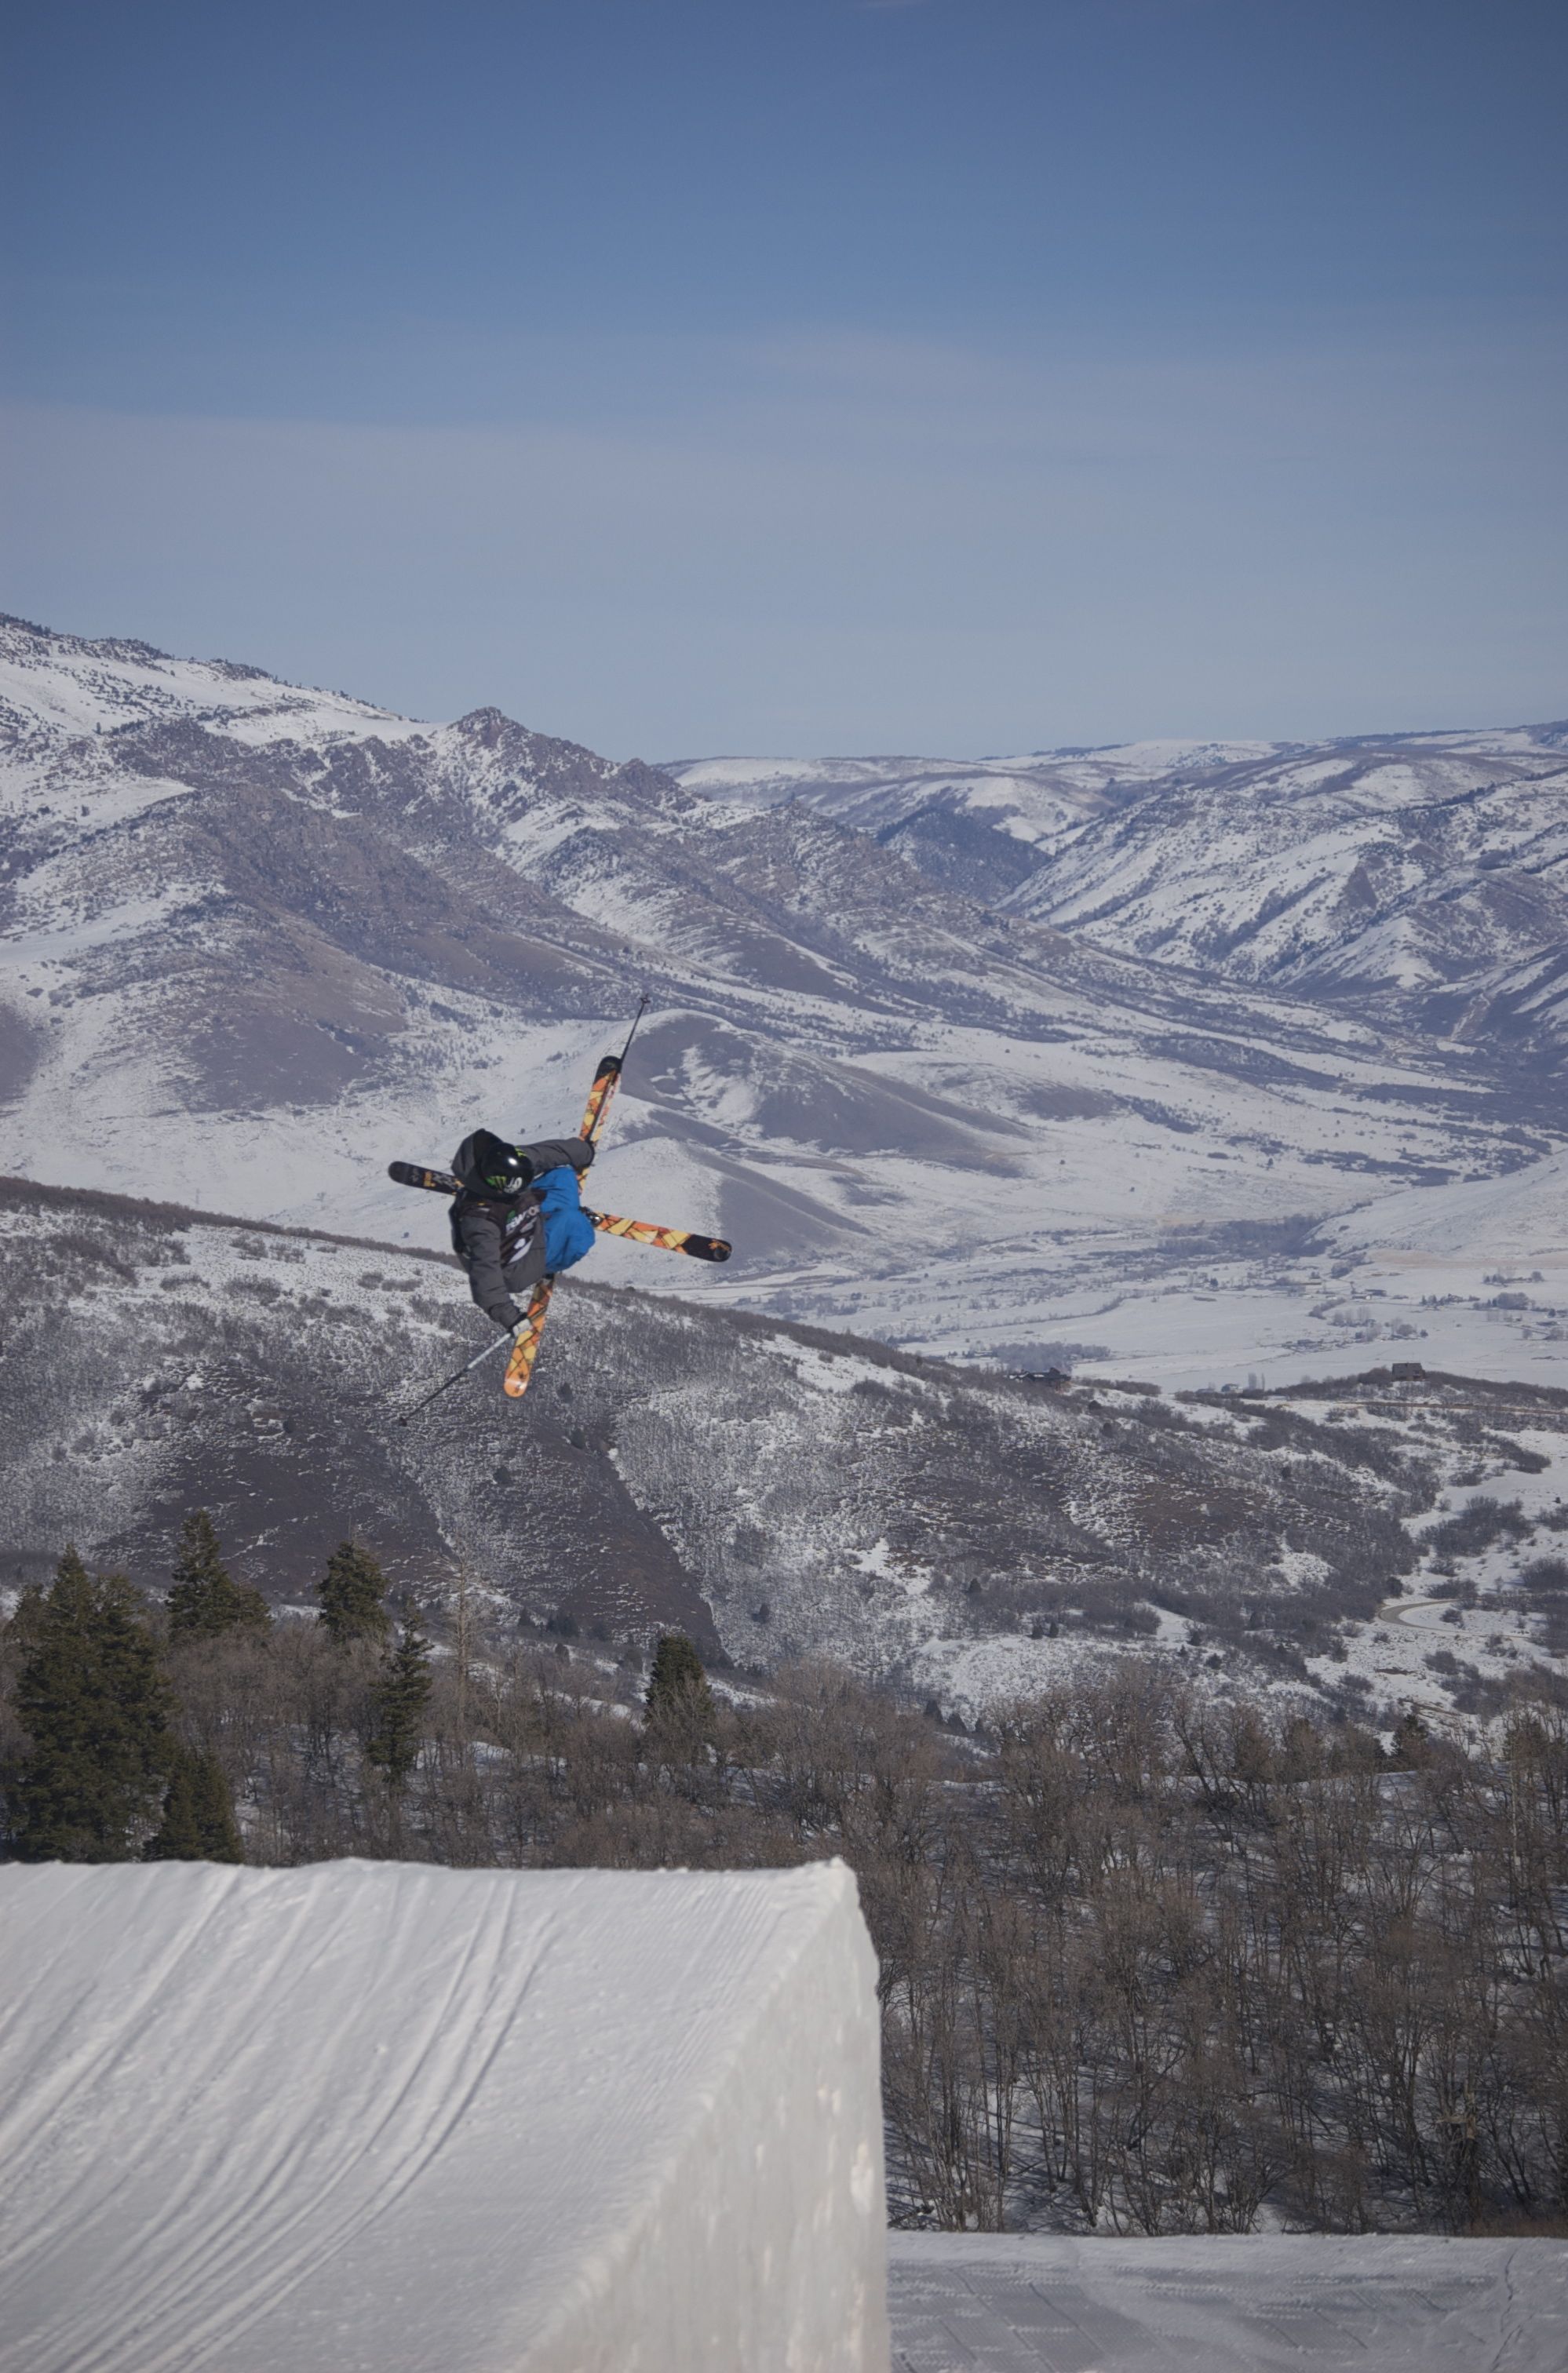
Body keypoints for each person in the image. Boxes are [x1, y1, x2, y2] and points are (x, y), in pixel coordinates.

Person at [447, 1128, 597, 1330]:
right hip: (515, 1265)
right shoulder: (481, 1222)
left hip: (524, 1219)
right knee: (576, 1226)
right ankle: (556, 1254)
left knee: (562, 1176)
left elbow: (547, 1153)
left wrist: (583, 1152)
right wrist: (508, 1315)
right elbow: (486, 1272)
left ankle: (561, 1218)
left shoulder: (509, 1160)